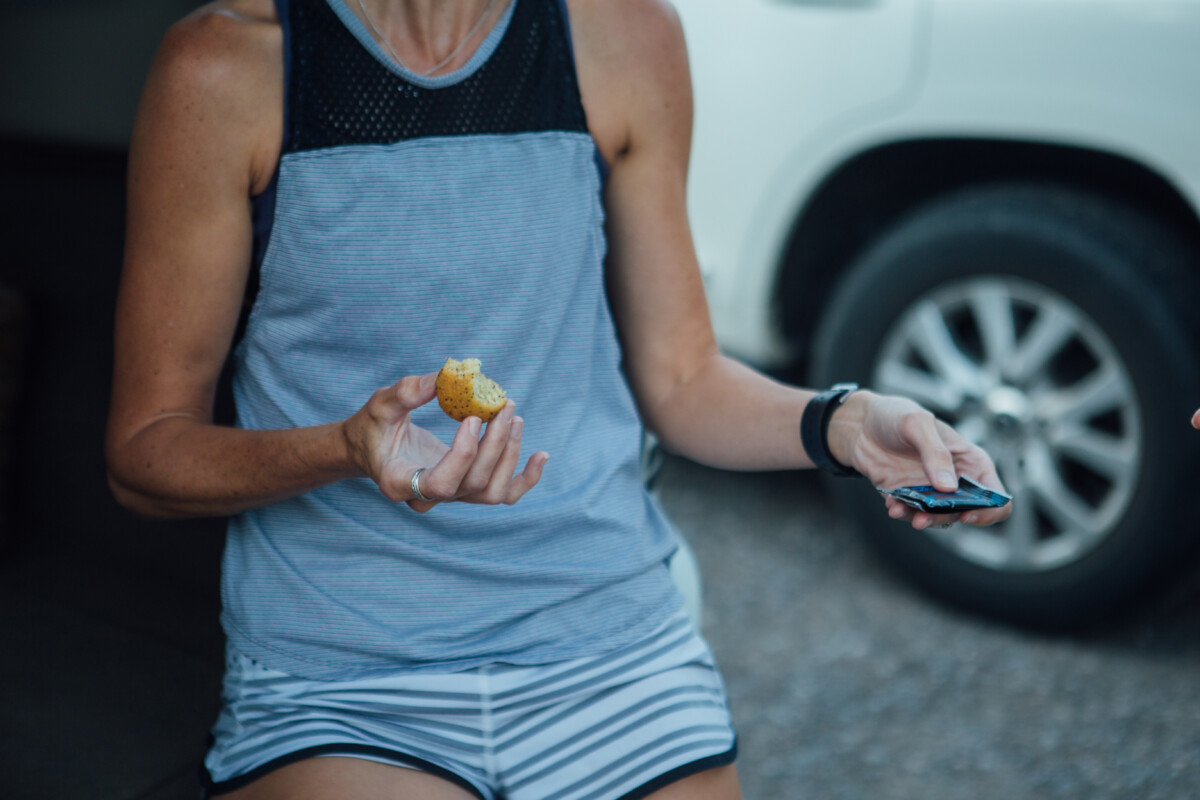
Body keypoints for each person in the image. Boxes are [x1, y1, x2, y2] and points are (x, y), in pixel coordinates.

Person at [104, 0, 1011, 797]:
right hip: (347, 675)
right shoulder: (225, 68)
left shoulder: (629, 36)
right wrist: (345, 448)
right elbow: (147, 453)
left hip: (611, 641)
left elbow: (686, 378)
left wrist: (844, 422)